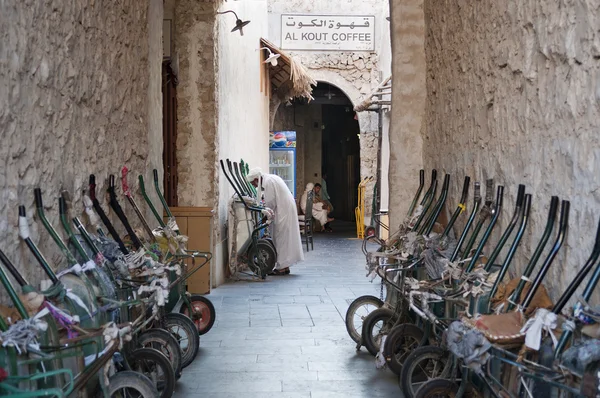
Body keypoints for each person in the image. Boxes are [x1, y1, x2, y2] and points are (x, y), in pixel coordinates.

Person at [246, 168, 304, 275]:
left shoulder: (268, 182)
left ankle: (281, 268)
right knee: (285, 239)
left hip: (283, 212)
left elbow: (270, 203)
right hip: (285, 209)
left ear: (256, 180)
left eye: (253, 184)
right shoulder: (271, 178)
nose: (254, 186)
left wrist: (265, 215)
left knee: (280, 238)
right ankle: (285, 266)